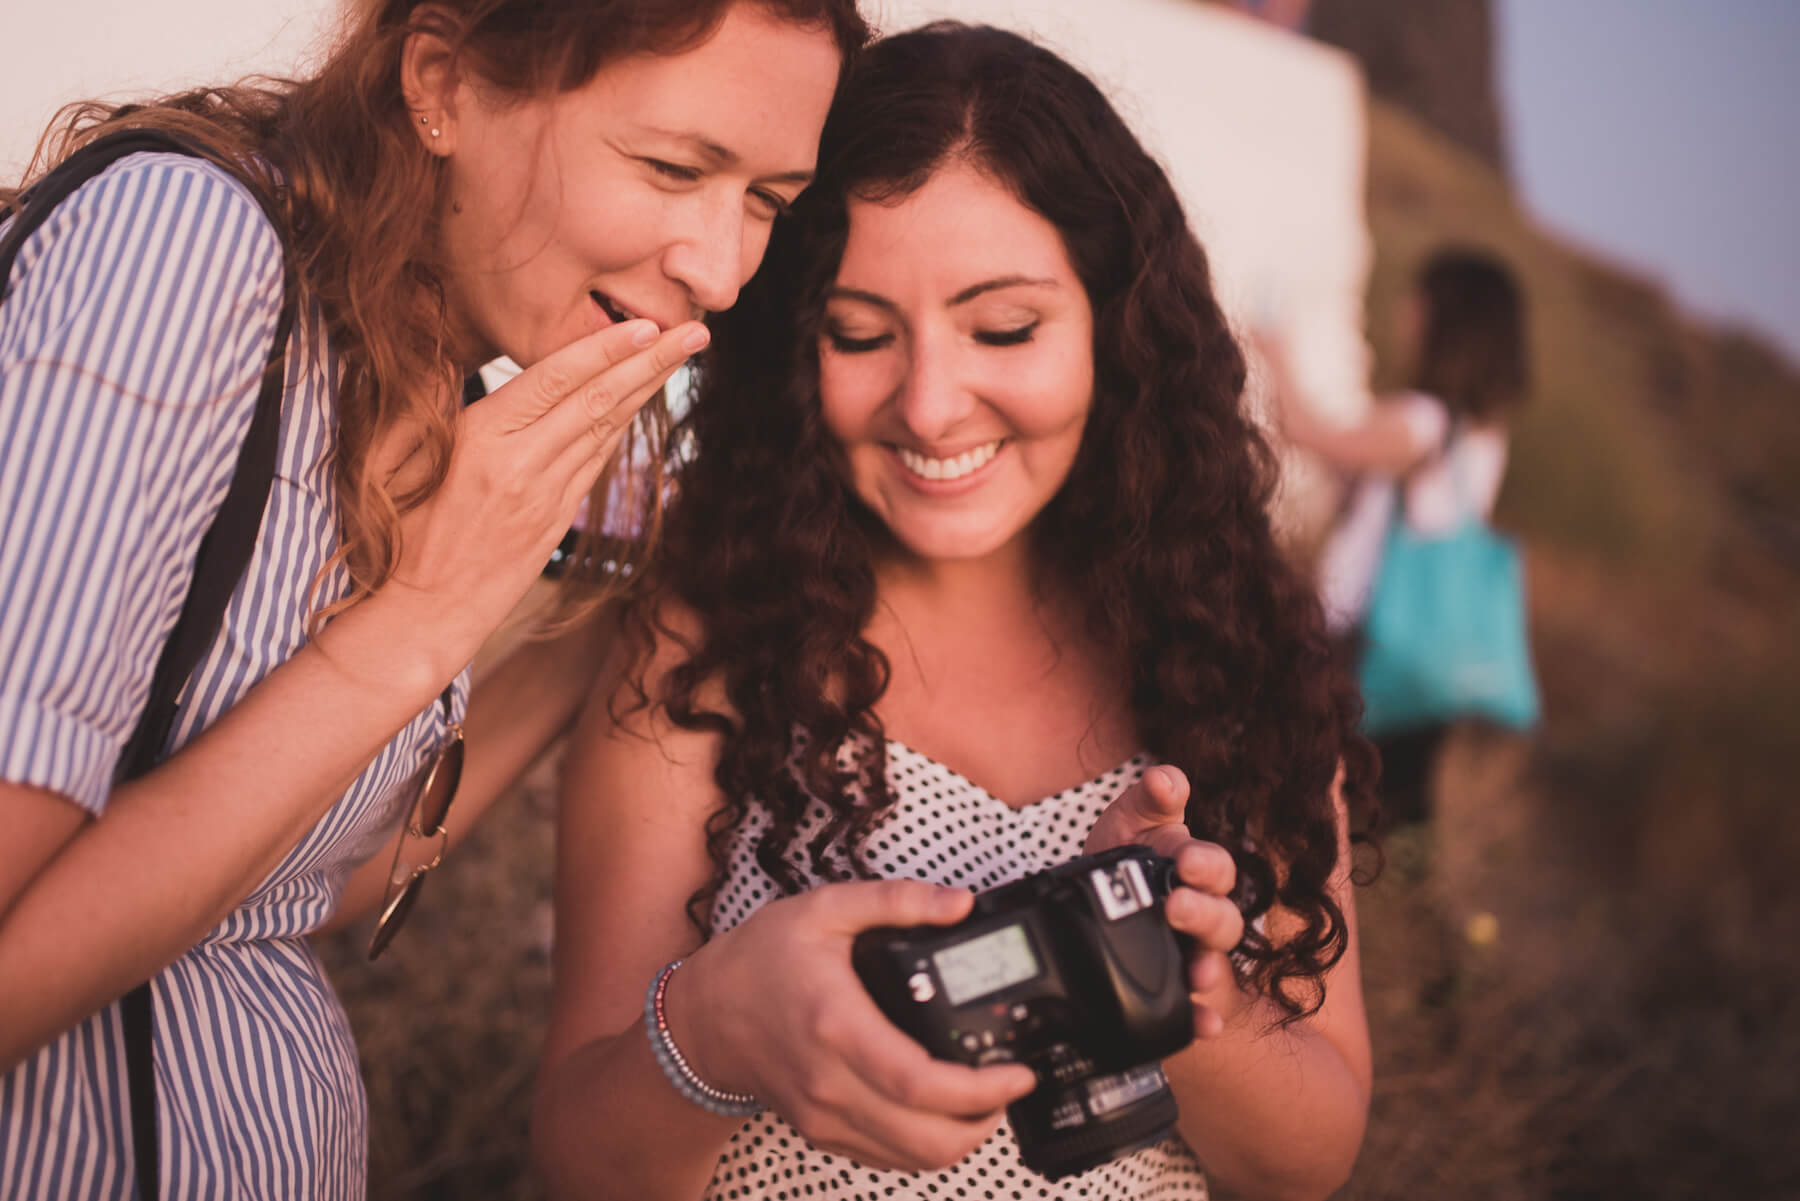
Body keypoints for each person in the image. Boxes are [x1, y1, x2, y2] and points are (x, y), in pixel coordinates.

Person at [0, 1, 865, 1196]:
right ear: (442, 84)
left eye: (768, 199)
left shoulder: (399, 358)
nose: (717, 268)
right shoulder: (185, 243)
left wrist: (598, 624)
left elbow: (285, 884)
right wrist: (414, 623)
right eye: (672, 166)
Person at [536, 23, 1375, 1201]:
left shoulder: (1237, 656)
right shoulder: (709, 651)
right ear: (791, 344)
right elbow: (581, 1165)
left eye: (1004, 328)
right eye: (860, 335)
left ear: (1117, 328)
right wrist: (720, 1029)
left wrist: (1180, 983)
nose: (929, 405)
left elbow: (1312, 1158)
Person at [1265, 247, 1531, 826]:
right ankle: (1405, 901)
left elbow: (1305, 431)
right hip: (1424, 654)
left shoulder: (1421, 420)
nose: (1407, 312)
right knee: (1396, 800)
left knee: (1322, 791)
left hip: (1365, 637)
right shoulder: (1485, 433)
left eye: (1420, 301)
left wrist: (1271, 345)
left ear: (1445, 323)